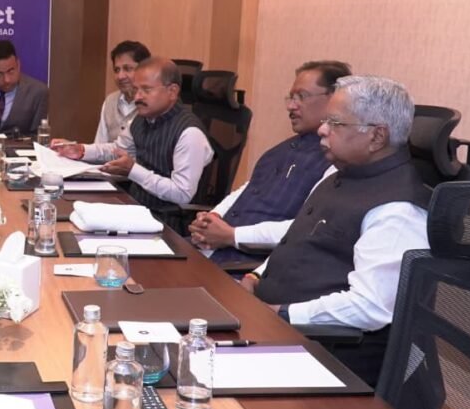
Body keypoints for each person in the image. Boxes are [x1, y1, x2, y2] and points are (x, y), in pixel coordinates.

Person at [241, 76, 430, 386]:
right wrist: (255, 277)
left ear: (376, 136)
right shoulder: (339, 175)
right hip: (274, 329)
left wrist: (281, 313)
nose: (322, 129)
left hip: (325, 359)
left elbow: (370, 306)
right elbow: (297, 241)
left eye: (335, 123)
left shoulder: (399, 211)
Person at [189, 60, 351, 265]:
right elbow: (249, 188)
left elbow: (305, 226)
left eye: (302, 96)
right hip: (209, 249)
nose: (291, 106)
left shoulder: (337, 161)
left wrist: (232, 235)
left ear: (334, 98)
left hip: (245, 264)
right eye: (291, 97)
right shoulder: (279, 150)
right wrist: (211, 219)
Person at [55, 57, 214, 218]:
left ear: (172, 91)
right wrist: (81, 150)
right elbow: (118, 150)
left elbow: (182, 193)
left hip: (168, 220)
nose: (137, 97)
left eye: (146, 90)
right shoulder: (142, 119)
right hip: (135, 207)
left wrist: (133, 170)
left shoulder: (189, 133)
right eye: (136, 89)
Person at [94, 40, 151, 143]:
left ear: (145, 69)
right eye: (117, 70)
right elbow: (99, 145)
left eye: (127, 69)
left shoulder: (153, 104)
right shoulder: (110, 101)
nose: (120, 76)